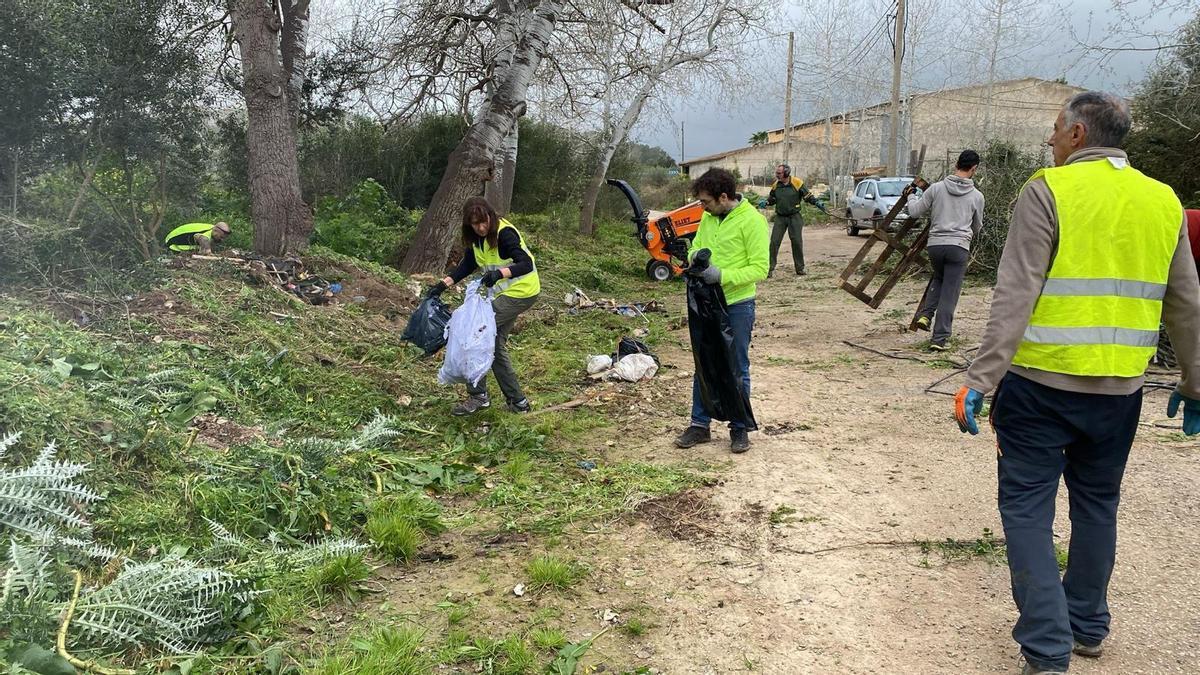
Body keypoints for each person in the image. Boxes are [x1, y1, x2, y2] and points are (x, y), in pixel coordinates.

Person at [953, 91, 1200, 675]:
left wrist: (980, 377)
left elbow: (1016, 294)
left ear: (1078, 134)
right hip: (1120, 393)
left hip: (1040, 387)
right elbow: (1186, 302)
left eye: (1055, 129)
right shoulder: (1163, 200)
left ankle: (1046, 647)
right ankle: (1086, 626)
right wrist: (1195, 383)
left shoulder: (1048, 190)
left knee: (1027, 510)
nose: (1049, 140)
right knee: (1097, 505)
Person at [672, 168, 769, 453]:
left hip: (737, 305)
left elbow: (760, 268)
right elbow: (698, 245)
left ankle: (739, 427)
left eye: (706, 201)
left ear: (723, 197)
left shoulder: (752, 221)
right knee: (704, 361)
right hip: (706, 300)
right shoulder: (709, 217)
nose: (702, 207)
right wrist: (696, 256)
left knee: (735, 366)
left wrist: (722, 275)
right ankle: (699, 425)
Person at [426, 197, 540, 416]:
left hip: (521, 292)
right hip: (503, 293)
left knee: (475, 333)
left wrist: (499, 274)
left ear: (490, 215)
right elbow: (467, 265)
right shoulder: (477, 239)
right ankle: (518, 402)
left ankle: (478, 395)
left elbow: (525, 264)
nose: (480, 228)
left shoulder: (504, 233)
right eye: (475, 224)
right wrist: (442, 285)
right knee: (494, 345)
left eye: (483, 221)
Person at [906, 149, 985, 350]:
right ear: (974, 168)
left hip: (935, 246)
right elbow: (977, 227)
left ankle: (925, 315)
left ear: (956, 164)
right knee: (950, 292)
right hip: (958, 247)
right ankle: (939, 339)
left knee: (939, 278)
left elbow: (914, 212)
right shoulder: (977, 196)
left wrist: (911, 196)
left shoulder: (936, 188)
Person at [759, 164, 827, 276]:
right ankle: (769, 269)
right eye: (776, 173)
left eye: (779, 173)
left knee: (796, 242)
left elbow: (807, 196)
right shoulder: (776, 185)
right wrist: (766, 202)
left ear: (786, 173)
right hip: (780, 217)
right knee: (774, 242)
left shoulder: (797, 183)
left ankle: (800, 268)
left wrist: (817, 202)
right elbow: (773, 198)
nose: (777, 175)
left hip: (794, 216)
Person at [164, 221, 230, 254]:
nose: (222, 240)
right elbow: (203, 239)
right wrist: (208, 252)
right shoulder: (207, 233)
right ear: (215, 231)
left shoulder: (212, 229)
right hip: (171, 242)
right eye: (221, 237)